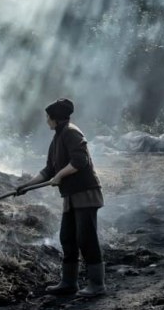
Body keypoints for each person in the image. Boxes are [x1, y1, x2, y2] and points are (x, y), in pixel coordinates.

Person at [16, 98, 105, 297]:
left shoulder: (72, 132)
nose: (46, 120)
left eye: (48, 117)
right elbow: (49, 169)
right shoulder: (57, 137)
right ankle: (69, 283)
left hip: (85, 193)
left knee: (86, 238)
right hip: (71, 196)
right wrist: (27, 186)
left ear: (54, 118)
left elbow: (80, 161)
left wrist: (60, 176)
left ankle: (97, 285)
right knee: (67, 237)